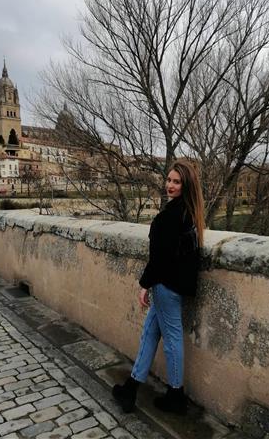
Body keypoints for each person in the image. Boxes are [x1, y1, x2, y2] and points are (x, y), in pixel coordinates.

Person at [112, 159, 205, 416]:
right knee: (150, 333)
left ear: (186, 186)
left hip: (166, 286)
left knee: (172, 339)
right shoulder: (189, 214)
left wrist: (145, 285)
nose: (170, 185)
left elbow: (159, 259)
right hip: (174, 284)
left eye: (176, 182)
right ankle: (131, 389)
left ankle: (176, 396)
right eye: (169, 180)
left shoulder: (170, 217)